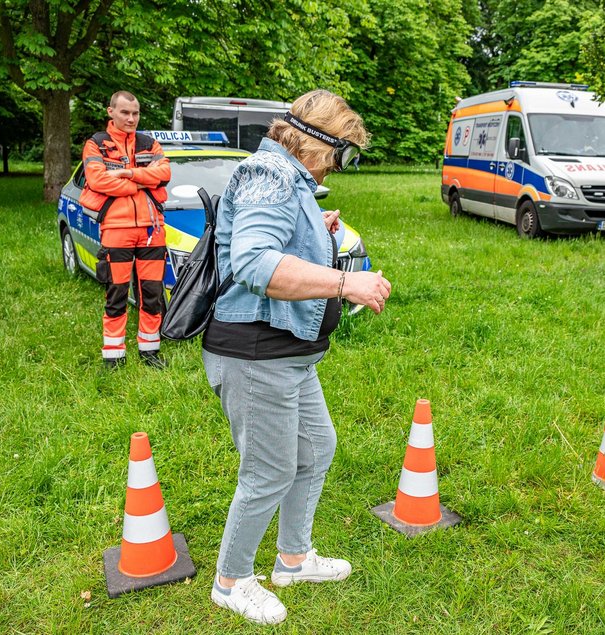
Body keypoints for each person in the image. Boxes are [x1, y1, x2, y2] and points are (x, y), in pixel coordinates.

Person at [202, 89, 390, 625]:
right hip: (256, 353)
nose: (340, 164)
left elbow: (274, 241)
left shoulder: (287, 178)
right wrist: (345, 281)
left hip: (288, 352)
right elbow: (256, 264)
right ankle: (231, 581)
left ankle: (292, 559)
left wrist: (315, 234)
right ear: (316, 142)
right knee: (268, 471)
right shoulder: (271, 176)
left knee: (315, 448)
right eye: (342, 152)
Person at [79, 91, 171, 369]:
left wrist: (128, 173)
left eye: (135, 113)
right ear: (111, 112)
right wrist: (141, 183)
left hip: (152, 230)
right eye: (125, 113)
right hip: (116, 229)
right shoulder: (96, 144)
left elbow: (164, 174)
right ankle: (113, 356)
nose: (131, 118)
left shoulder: (149, 143)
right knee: (116, 294)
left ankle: (150, 351)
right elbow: (97, 181)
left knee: (152, 294)